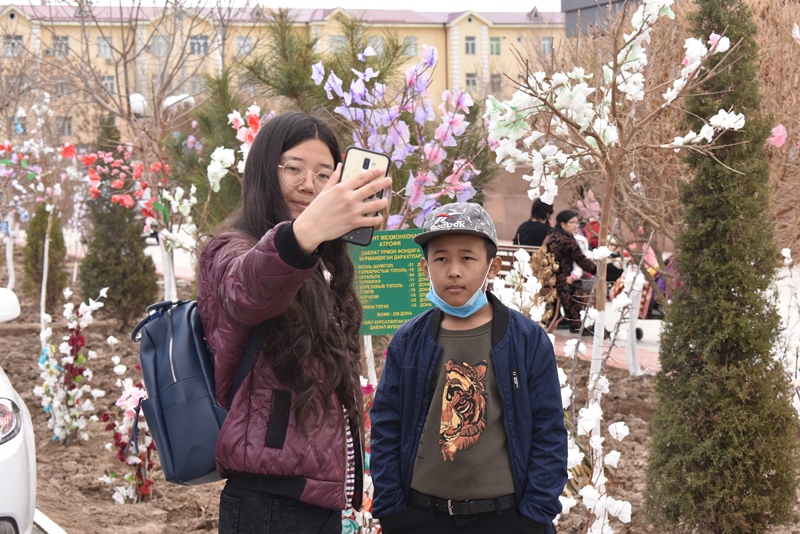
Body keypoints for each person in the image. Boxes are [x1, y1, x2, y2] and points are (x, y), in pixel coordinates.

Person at [196, 112, 392, 534]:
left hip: (315, 495)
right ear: (265, 172)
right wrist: (302, 235)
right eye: (294, 169)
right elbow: (251, 287)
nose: (309, 185)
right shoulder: (230, 250)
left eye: (324, 175)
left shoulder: (321, 262)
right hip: (268, 499)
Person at [370, 202, 567, 534]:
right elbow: (386, 425)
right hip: (420, 515)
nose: (454, 271)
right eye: (441, 259)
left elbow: (548, 431)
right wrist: (391, 510)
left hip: (503, 517)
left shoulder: (525, 340)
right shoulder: (409, 340)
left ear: (493, 267)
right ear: (425, 267)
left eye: (467, 258)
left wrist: (535, 516)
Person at [545, 210, 598, 333]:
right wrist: (598, 270)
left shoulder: (551, 236)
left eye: (577, 223)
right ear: (563, 224)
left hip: (549, 279)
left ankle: (566, 319)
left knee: (571, 280)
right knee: (575, 283)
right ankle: (576, 323)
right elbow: (581, 260)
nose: (576, 226)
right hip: (561, 281)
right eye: (572, 223)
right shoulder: (567, 240)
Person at [576, 184, 601, 249]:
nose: (593, 193)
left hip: (597, 227)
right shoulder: (579, 204)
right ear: (585, 192)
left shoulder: (596, 203)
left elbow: (599, 216)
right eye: (591, 191)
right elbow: (578, 219)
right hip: (585, 228)